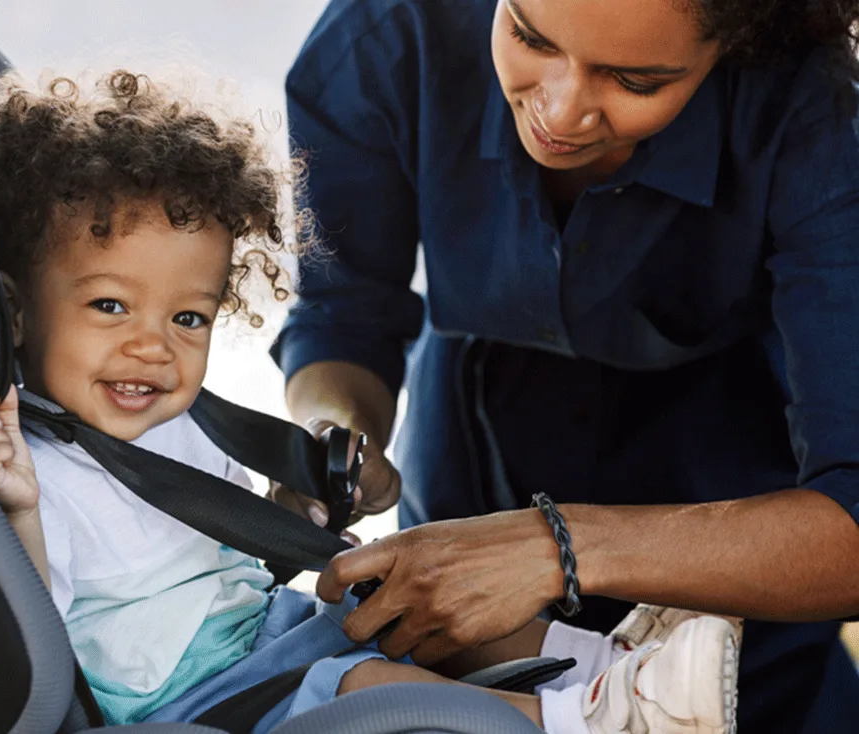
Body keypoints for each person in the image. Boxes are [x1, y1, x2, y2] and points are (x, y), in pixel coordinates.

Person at [0, 68, 742, 734]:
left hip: (263, 634)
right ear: (17, 310)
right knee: (369, 691)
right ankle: (597, 720)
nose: (153, 346)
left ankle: (624, 662)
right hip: (196, 699)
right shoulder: (28, 466)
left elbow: (228, 550)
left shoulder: (175, 419)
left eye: (187, 317)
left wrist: (300, 508)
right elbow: (29, 645)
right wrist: (15, 509)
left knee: (421, 595)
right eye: (109, 307)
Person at [270, 0, 859, 730]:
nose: (561, 110)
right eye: (527, 35)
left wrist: (558, 547)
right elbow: (343, 313)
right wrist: (335, 436)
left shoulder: (819, 108)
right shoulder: (382, 38)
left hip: (734, 491)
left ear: (738, 43)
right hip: (469, 443)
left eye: (634, 80)